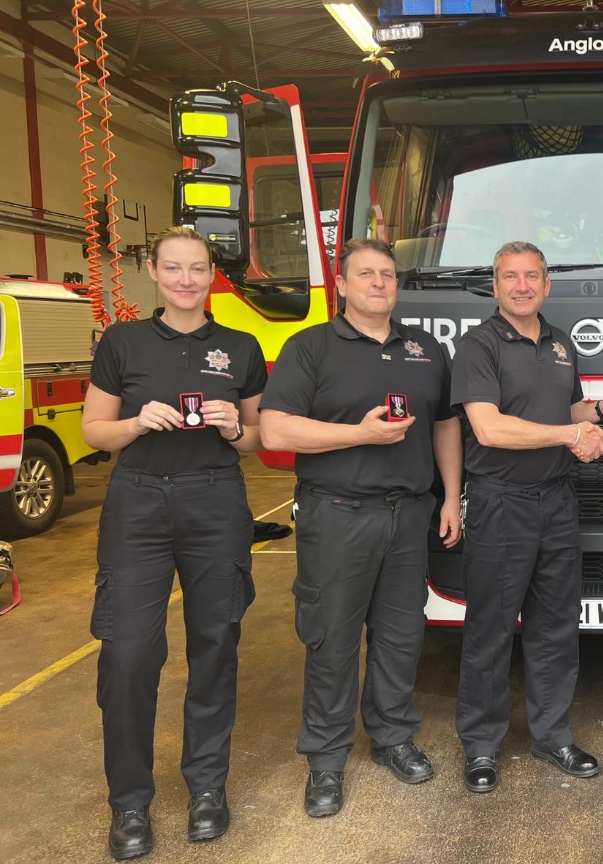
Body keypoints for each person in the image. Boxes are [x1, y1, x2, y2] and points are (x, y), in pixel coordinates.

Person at [82, 226, 267, 860]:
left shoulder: (241, 346)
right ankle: (129, 803)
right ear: (154, 274)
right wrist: (135, 423)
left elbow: (257, 439)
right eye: (174, 268)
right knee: (129, 653)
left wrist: (234, 425)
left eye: (197, 268)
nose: (186, 279)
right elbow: (94, 430)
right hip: (139, 501)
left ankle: (207, 788)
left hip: (215, 498)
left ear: (212, 275)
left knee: (215, 645)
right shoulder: (122, 341)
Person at [259, 238, 462, 816]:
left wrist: (451, 496)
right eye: (366, 274)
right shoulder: (310, 347)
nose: (378, 283)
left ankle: (393, 737)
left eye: (387, 275)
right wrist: (359, 435)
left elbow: (445, 425)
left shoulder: (425, 349)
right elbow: (275, 430)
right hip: (337, 514)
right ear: (342, 286)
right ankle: (326, 760)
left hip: (409, 515)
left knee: (401, 636)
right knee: (332, 639)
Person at [451, 240, 603, 793]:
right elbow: (489, 427)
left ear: (546, 284)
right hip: (501, 503)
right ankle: (481, 745)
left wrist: (599, 412)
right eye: (510, 277)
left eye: (531, 276)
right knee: (491, 629)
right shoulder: (478, 345)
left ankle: (552, 736)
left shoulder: (561, 343)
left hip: (557, 500)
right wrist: (571, 434)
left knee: (556, 627)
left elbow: (568, 407)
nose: (522, 286)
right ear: (495, 286)